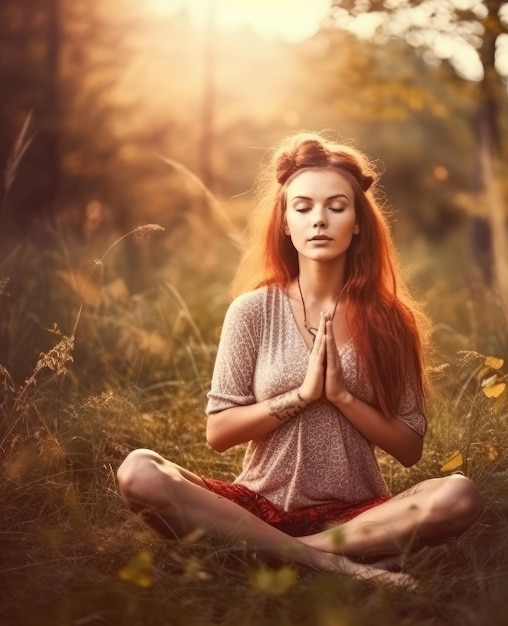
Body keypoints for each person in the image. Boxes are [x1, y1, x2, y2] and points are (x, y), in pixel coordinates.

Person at [117, 132, 481, 585]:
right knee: (139, 471)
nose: (319, 220)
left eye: (336, 206)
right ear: (285, 223)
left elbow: (409, 448)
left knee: (458, 495)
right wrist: (302, 396)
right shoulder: (253, 311)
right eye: (303, 207)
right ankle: (331, 564)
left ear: (359, 221)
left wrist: (342, 397)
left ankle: (280, 555)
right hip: (255, 506)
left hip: (355, 518)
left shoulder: (392, 321)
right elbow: (219, 432)